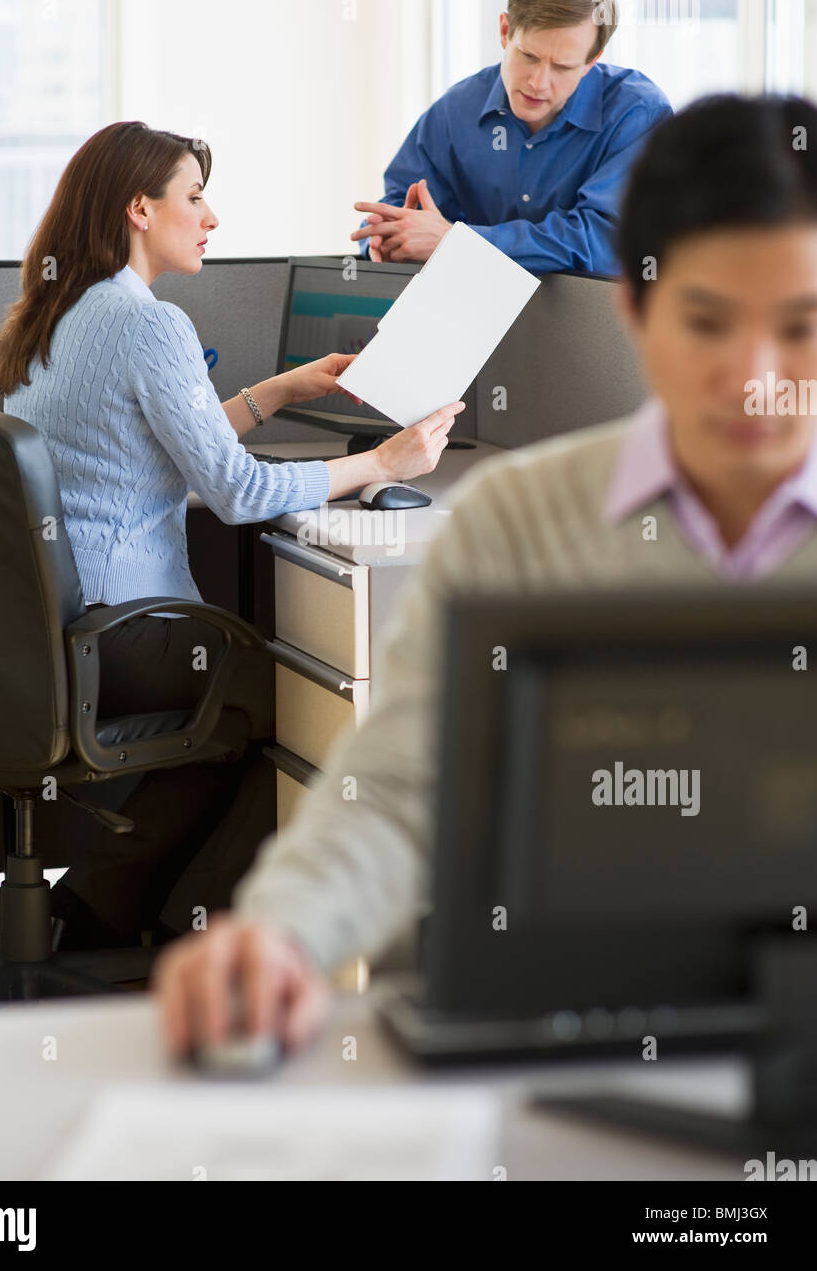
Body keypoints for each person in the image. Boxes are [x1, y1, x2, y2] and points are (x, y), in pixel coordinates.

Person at [153, 91, 817, 1056]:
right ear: (632, 305)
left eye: (800, 327)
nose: (753, 373)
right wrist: (283, 934)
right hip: (567, 1053)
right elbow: (395, 793)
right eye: (708, 323)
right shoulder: (519, 524)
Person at [0, 120, 464, 947]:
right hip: (127, 630)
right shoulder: (149, 325)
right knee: (283, 702)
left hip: (56, 623)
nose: (211, 218)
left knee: (235, 719)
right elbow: (240, 492)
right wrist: (381, 463)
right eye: (195, 197)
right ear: (140, 208)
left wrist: (278, 391)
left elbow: (153, 442)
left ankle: (103, 912)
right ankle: (182, 932)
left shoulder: (55, 310)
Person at [351, 0, 671, 276]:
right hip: (474, 315)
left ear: (592, 60)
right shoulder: (457, 110)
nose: (538, 82)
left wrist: (458, 243)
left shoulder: (637, 114)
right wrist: (390, 238)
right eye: (529, 56)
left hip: (592, 321)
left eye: (562, 67)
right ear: (505, 31)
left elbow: (607, 240)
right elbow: (398, 207)